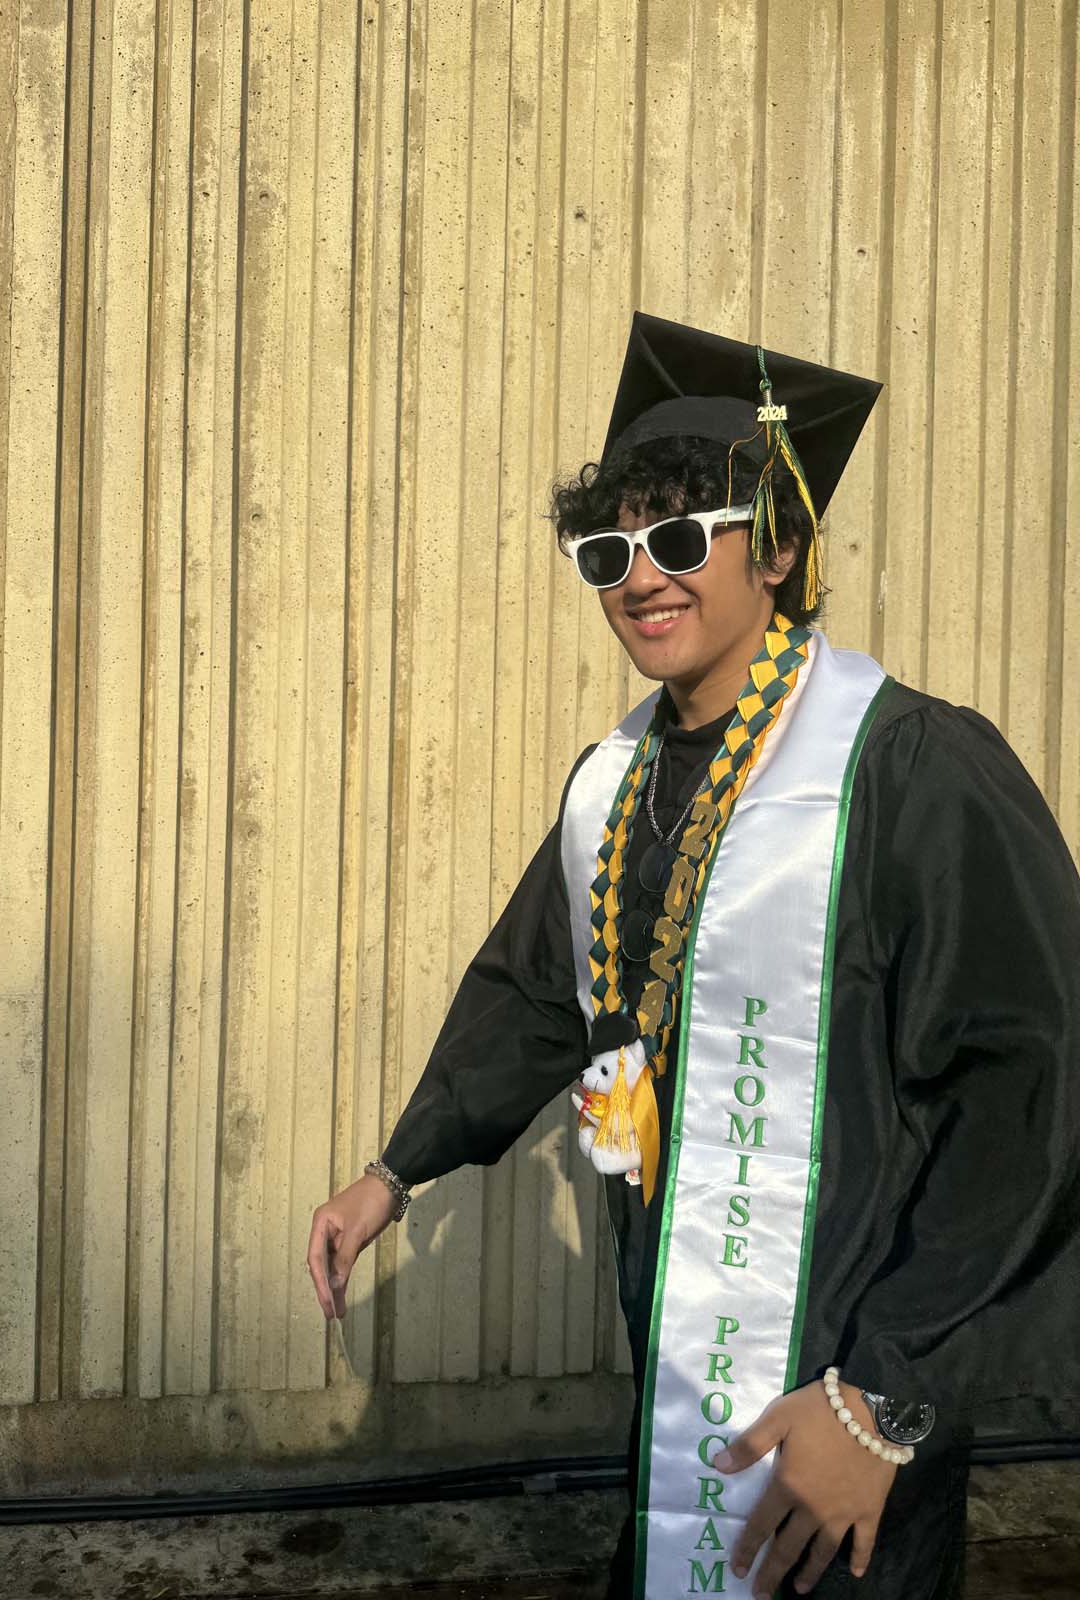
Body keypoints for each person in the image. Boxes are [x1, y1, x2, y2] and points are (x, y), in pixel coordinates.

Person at [307, 314, 1080, 1600]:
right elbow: (532, 989)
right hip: (683, 1367)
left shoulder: (910, 771)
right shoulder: (613, 785)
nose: (640, 576)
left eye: (680, 536)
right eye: (609, 548)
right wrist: (397, 1170)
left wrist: (884, 1398)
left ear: (778, 549)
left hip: (851, 1389)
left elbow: (1032, 1088)